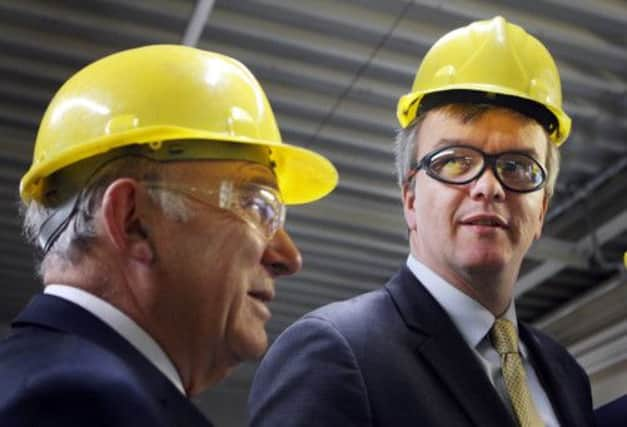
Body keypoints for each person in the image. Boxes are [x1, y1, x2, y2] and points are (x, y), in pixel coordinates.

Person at [248, 16, 595, 427]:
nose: (488, 187)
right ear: (410, 197)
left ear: (541, 211)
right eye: (454, 162)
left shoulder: (566, 376)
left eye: (518, 167)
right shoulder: (337, 351)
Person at [0, 45, 337, 426]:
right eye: (256, 206)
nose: (288, 257)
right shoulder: (80, 404)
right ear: (133, 221)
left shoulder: (53, 382)